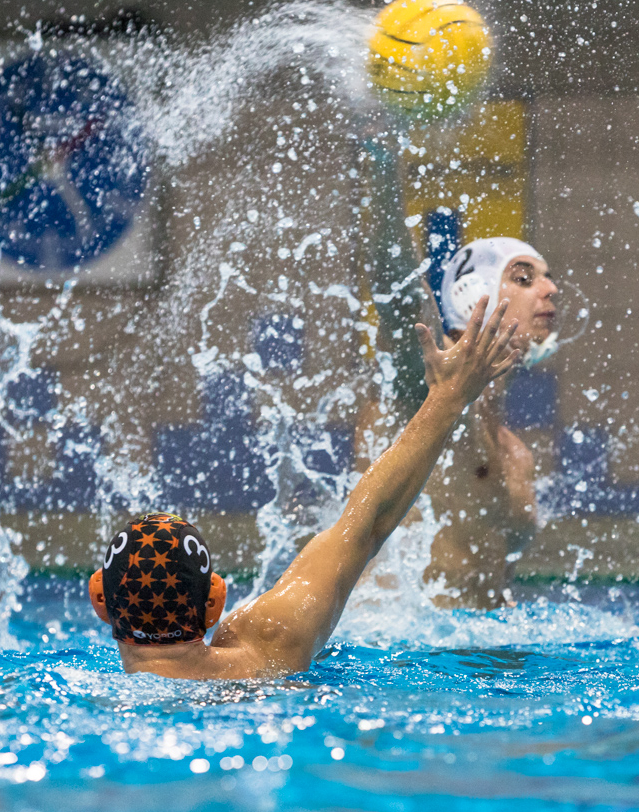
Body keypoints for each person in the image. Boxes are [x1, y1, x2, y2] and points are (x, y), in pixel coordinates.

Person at [87, 297, 520, 679]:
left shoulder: (87, 694)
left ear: (100, 600)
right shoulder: (271, 646)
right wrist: (449, 397)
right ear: (214, 602)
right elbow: (364, 525)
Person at [360, 148, 559, 609]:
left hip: (476, 655)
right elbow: (398, 296)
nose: (551, 289)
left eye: (548, 278)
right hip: (403, 662)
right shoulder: (432, 390)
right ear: (475, 296)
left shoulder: (515, 452)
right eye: (525, 278)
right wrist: (385, 165)